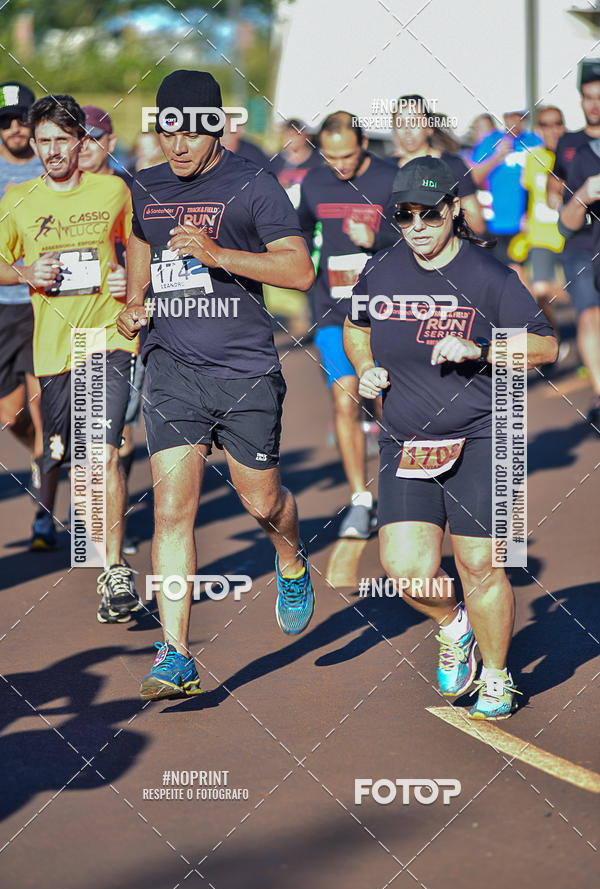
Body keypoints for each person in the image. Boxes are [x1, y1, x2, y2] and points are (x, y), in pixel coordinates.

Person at [116, 70, 316, 701]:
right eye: (166, 129)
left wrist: (218, 254)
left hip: (244, 371)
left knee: (262, 503)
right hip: (172, 369)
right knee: (173, 513)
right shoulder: (144, 186)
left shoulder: (252, 185)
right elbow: (143, 245)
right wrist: (135, 300)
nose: (176, 144)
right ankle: (174, 654)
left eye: (189, 130)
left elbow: (300, 269)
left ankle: (289, 559)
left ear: (213, 127)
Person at [344, 157, 557, 719]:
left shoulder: (490, 278)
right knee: (405, 569)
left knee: (479, 563)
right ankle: (452, 624)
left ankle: (496, 676)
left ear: (455, 211)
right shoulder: (381, 270)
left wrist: (483, 351)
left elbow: (544, 348)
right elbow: (355, 326)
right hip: (406, 440)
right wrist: (364, 367)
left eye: (429, 214)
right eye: (404, 215)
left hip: (486, 435)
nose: (417, 225)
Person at [0, 94, 141, 621]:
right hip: (56, 349)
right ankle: (105, 552)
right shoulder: (18, 198)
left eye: (63, 140)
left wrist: (131, 282)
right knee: (78, 464)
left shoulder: (114, 191)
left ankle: (115, 573)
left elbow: (142, 248)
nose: (54, 151)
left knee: (102, 450)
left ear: (82, 141)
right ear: (33, 144)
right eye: (44, 141)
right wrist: (24, 273)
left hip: (108, 339)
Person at [298, 111, 397, 539]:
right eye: (332, 156)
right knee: (345, 398)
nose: (340, 165)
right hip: (334, 310)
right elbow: (297, 234)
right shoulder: (313, 183)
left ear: (364, 144)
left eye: (349, 155)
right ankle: (360, 498)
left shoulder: (392, 177)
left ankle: (396, 492)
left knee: (386, 400)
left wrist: (377, 239)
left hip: (387, 311)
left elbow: (422, 233)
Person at [79, 104, 142, 551]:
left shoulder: (127, 190)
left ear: (110, 143)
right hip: (66, 334)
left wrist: (133, 276)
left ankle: (109, 542)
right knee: (94, 444)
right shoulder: (51, 192)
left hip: (122, 331)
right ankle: (102, 526)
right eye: (76, 138)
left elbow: (154, 247)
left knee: (116, 439)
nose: (85, 147)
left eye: (93, 138)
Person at [0, 81, 44, 532]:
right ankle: (41, 453)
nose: (14, 127)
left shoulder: (47, 167)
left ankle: (46, 489)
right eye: (5, 121)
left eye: (22, 119)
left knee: (40, 403)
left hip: (41, 304)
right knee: (9, 415)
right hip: (0, 307)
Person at [550, 63, 600, 427]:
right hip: (582, 245)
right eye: (588, 97)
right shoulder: (573, 146)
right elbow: (560, 199)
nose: (595, 105)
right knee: (588, 314)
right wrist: (577, 197)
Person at [391, 95, 485, 235]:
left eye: (414, 122)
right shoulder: (386, 169)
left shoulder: (453, 166)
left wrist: (438, 214)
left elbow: (477, 225)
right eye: (400, 123)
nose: (407, 130)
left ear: (429, 127)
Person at [471, 109, 543, 270]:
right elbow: (473, 177)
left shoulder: (535, 142)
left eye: (519, 117)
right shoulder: (490, 142)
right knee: (505, 273)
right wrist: (497, 157)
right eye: (510, 118)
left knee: (530, 277)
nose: (515, 122)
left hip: (528, 225)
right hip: (496, 224)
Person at [521, 107, 566, 338]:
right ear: (539, 129)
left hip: (572, 237)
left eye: (557, 123)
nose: (553, 130)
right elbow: (528, 192)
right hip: (540, 236)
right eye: (546, 125)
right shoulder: (532, 158)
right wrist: (524, 217)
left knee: (585, 298)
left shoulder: (574, 154)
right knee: (539, 292)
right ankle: (554, 338)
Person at [271, 119, 322, 209]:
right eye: (288, 135)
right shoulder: (274, 161)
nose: (291, 139)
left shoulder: (320, 161)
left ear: (306, 136)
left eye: (296, 134)